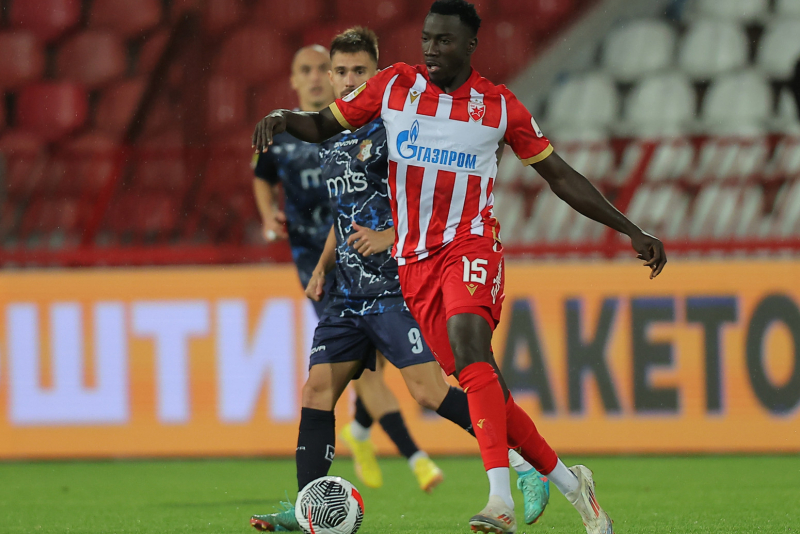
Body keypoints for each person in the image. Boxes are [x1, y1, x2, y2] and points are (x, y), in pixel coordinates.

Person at [254, 2, 669, 533]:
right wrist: (282, 119)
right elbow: (320, 124)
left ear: (471, 45)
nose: (431, 49)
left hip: (471, 245)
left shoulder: (499, 107)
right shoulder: (395, 86)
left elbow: (560, 176)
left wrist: (629, 228)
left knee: (471, 349)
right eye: (427, 38)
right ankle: (573, 484)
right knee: (478, 383)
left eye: (444, 40)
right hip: (415, 264)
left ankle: (499, 501)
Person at [250, 26, 550, 534]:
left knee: (430, 392)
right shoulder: (333, 135)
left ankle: (523, 464)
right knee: (316, 390)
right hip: (348, 290)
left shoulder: (398, 126)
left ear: (379, 74)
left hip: (399, 283)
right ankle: (307, 509)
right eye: (341, 71)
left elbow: (436, 197)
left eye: (359, 71)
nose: (349, 80)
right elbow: (347, 213)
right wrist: (324, 264)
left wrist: (391, 235)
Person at [252, 44, 440, 496]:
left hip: (377, 256)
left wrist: (392, 234)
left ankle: (361, 431)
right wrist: (269, 217)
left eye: (326, 69)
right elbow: (262, 176)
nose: (319, 77)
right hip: (324, 263)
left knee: (386, 367)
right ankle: (414, 458)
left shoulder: (371, 128)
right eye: (310, 70)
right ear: (294, 80)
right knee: (353, 374)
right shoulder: (292, 136)